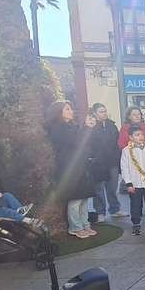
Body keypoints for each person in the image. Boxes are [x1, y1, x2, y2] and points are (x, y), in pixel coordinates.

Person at [45, 101, 97, 239]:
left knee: (84, 198)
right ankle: (75, 227)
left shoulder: (73, 126)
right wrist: (86, 127)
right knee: (75, 199)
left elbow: (84, 141)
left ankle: (85, 224)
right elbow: (75, 141)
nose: (71, 111)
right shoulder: (57, 128)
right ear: (58, 112)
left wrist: (88, 128)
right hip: (68, 168)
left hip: (80, 166)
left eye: (70, 108)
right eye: (67, 109)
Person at [89, 103, 125, 220]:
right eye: (101, 111)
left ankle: (115, 209)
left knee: (112, 187)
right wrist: (93, 157)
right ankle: (100, 212)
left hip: (112, 162)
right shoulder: (91, 126)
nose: (104, 113)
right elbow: (88, 144)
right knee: (98, 190)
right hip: (98, 163)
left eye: (105, 111)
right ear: (94, 113)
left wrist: (117, 158)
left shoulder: (112, 125)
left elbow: (117, 143)